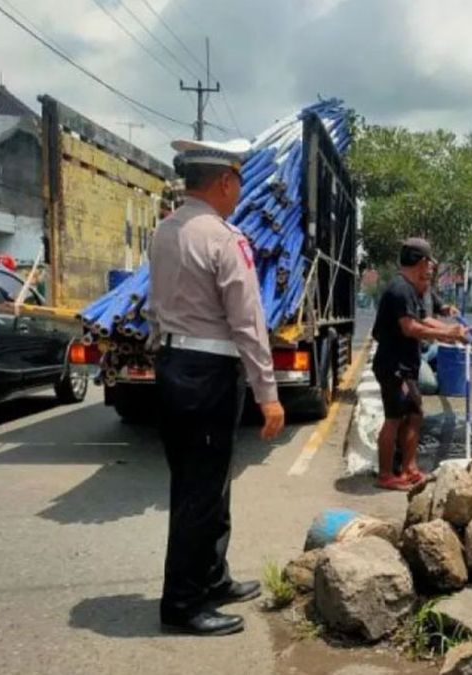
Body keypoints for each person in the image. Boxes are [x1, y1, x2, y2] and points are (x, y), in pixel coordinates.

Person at [148, 138, 286, 637]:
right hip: (208, 374)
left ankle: (212, 577)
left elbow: (153, 304)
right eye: (238, 183)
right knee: (200, 493)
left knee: (205, 483)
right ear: (225, 182)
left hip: (174, 364)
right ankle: (183, 604)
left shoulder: (164, 232)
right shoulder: (224, 239)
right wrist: (268, 395)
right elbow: (248, 322)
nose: (238, 193)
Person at [372, 238, 468, 490]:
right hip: (394, 366)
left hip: (406, 365)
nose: (431, 269)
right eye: (429, 263)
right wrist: (448, 334)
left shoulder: (412, 289)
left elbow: (424, 319)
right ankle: (385, 475)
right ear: (421, 262)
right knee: (394, 419)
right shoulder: (400, 289)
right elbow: (410, 327)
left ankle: (409, 468)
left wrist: (453, 330)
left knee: (414, 415)